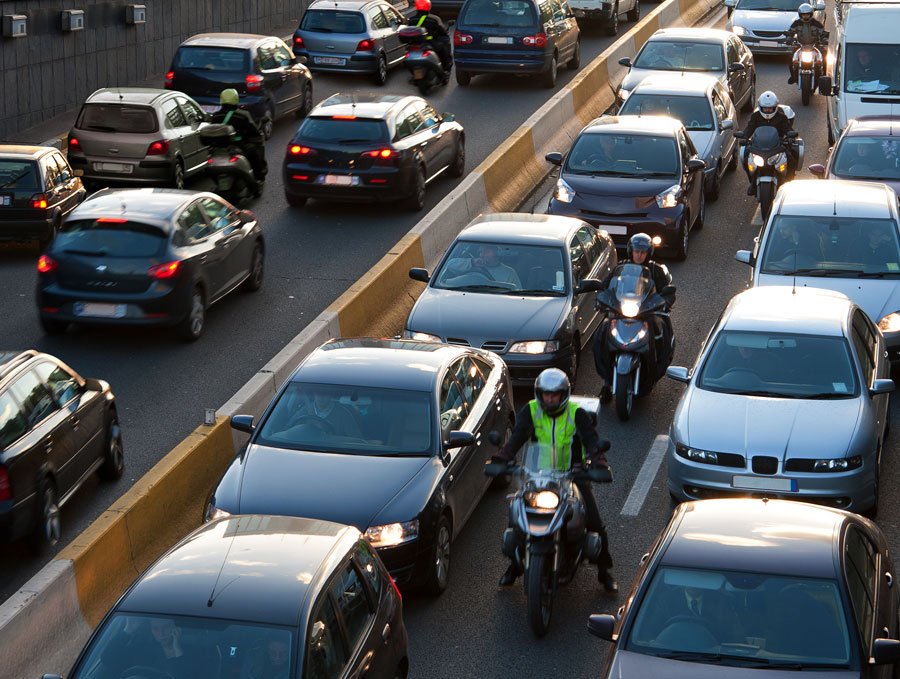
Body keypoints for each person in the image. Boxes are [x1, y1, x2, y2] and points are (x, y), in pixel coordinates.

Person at [491, 368, 618, 593]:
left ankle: (604, 571)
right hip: (537, 475)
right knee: (516, 517)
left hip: (572, 476)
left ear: (564, 394)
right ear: (539, 393)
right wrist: (501, 458)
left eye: (555, 394)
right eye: (546, 394)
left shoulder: (576, 414)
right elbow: (517, 438)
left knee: (594, 522)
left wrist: (599, 462)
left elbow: (591, 441)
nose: (550, 399)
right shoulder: (531, 411)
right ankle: (515, 565)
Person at [594, 233, 674, 402]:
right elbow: (606, 286)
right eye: (636, 251)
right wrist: (601, 299)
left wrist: (665, 301)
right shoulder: (621, 268)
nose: (639, 255)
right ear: (631, 251)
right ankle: (606, 383)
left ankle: (657, 364)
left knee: (661, 331)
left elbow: (667, 290)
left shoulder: (656, 270)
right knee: (601, 336)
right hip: (622, 311)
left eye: (643, 252)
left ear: (648, 253)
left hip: (647, 312)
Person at [741, 90, 796, 196]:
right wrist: (744, 137)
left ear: (775, 107)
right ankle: (752, 183)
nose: (767, 110)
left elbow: (787, 128)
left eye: (770, 108)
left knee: (792, 161)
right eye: (765, 108)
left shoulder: (781, 117)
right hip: (758, 145)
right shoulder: (756, 116)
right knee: (745, 159)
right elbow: (749, 128)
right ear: (760, 107)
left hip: (778, 145)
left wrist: (790, 135)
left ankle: (788, 184)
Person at [210, 88, 267, 184]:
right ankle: (258, 178)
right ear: (236, 99)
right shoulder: (243, 115)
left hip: (218, 149)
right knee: (254, 155)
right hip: (238, 146)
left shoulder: (216, 116)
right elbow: (254, 131)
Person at [408, 0, 452, 78]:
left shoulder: (411, 20)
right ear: (428, 6)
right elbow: (442, 31)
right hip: (430, 43)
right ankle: (445, 70)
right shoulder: (433, 19)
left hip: (416, 44)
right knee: (443, 51)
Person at [786, 3, 826, 85]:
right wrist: (789, 38)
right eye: (803, 14)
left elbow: (823, 33)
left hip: (815, 45)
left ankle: (824, 78)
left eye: (807, 14)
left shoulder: (816, 23)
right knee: (791, 57)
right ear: (800, 14)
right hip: (800, 45)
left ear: (811, 14)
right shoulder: (796, 23)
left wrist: (824, 39)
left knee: (825, 56)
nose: (805, 16)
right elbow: (791, 32)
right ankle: (793, 76)